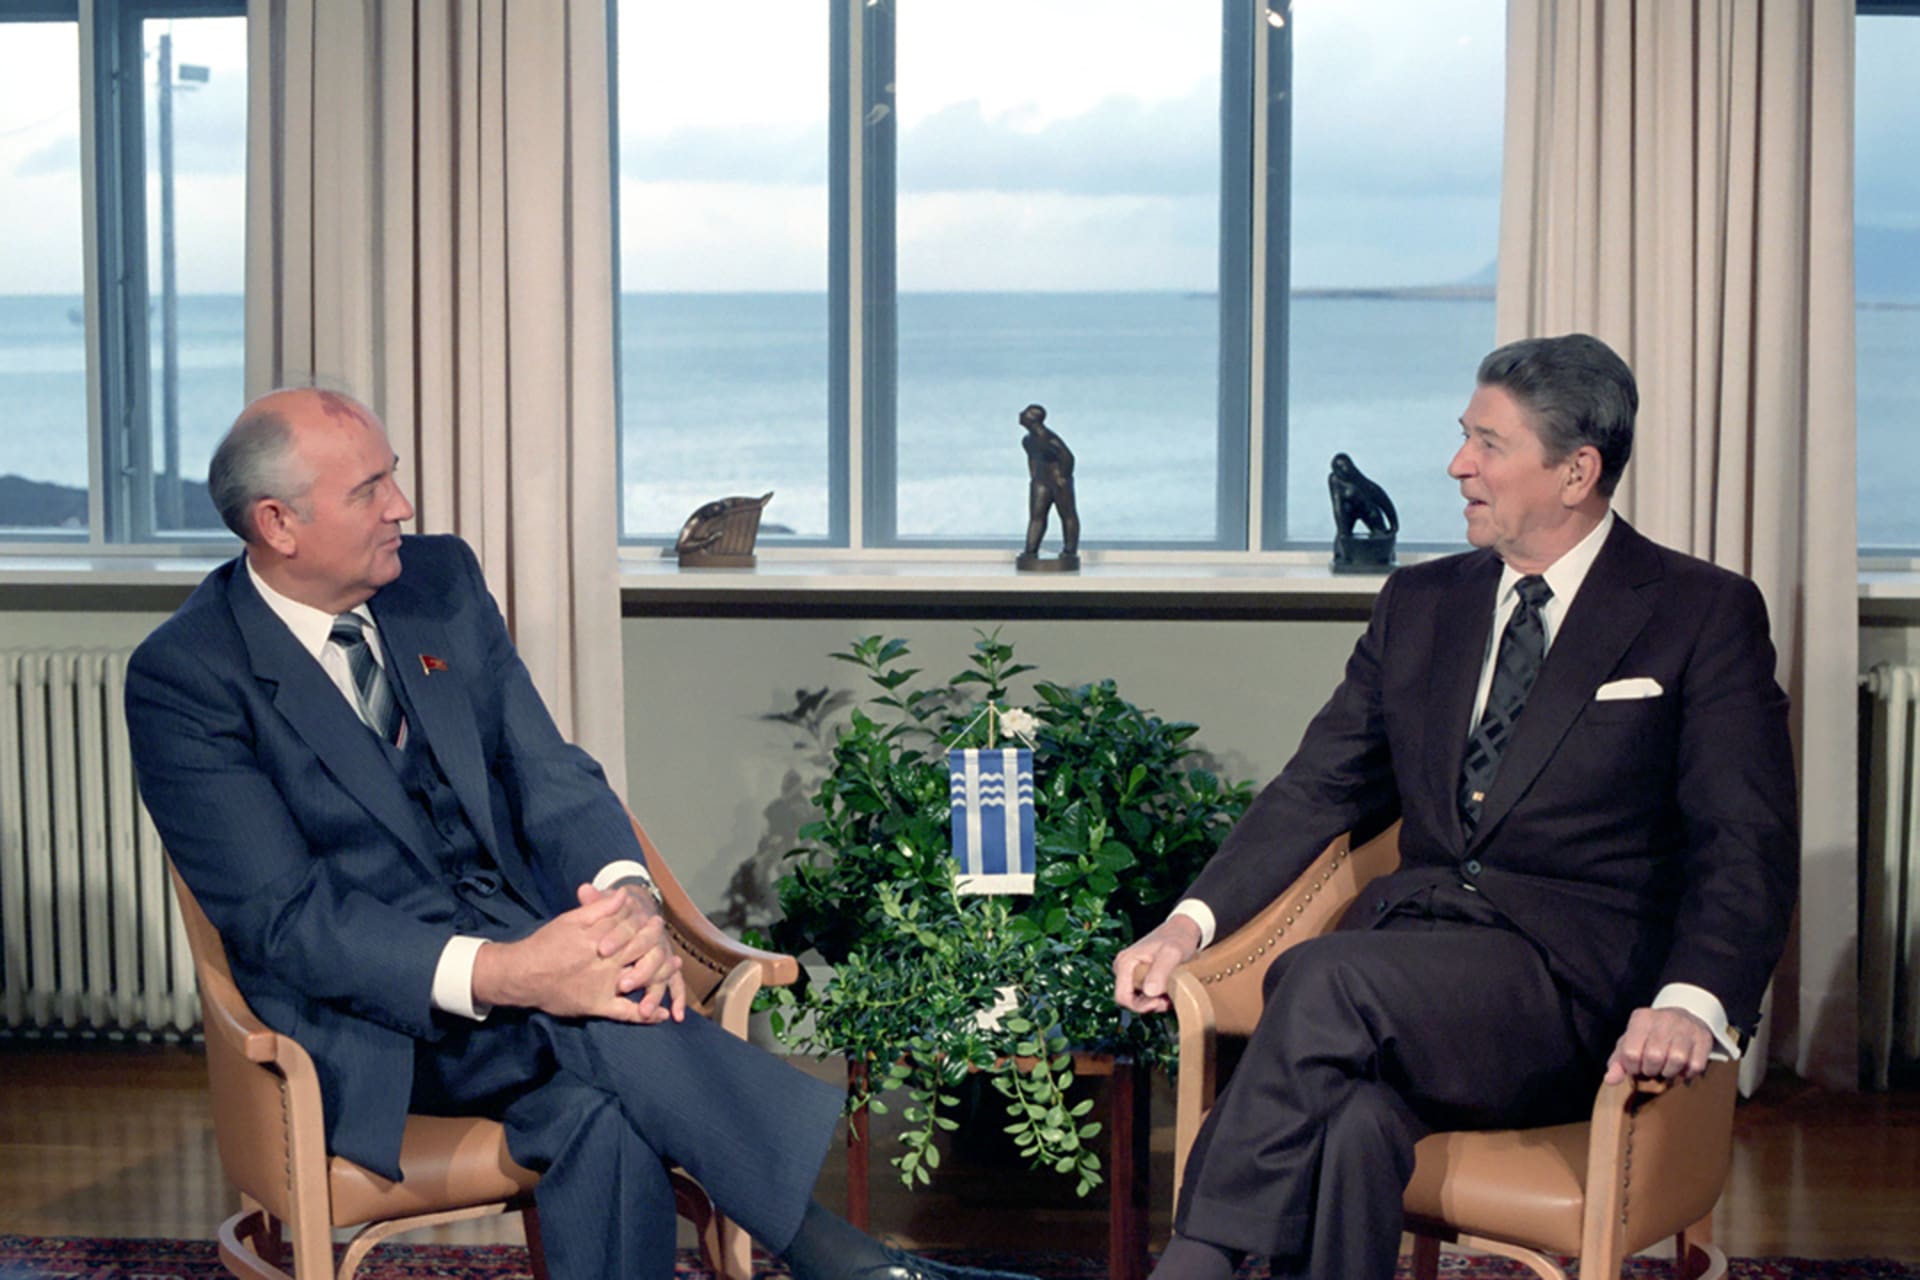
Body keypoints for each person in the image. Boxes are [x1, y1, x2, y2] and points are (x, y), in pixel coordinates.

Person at [125, 387, 1036, 1280]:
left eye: (393, 477)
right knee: (613, 1012)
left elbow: (544, 767)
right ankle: (845, 1260)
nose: (401, 506)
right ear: (278, 524)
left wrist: (628, 899)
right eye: (370, 490)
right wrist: (515, 972)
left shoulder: (435, 582)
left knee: (595, 1109)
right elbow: (290, 923)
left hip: (537, 964)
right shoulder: (187, 677)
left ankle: (850, 1265)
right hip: (381, 1026)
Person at [1113, 334, 1798, 1280]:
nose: (1457, 465)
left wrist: (1692, 1001)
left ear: (1576, 472)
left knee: (1322, 980)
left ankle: (1197, 1261)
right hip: (1407, 972)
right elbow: (1318, 786)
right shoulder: (1421, 602)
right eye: (1462, 437)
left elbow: (1746, 839)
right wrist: (1189, 925)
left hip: (1567, 992)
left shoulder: (1698, 611)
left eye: (1488, 443)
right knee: (1352, 1126)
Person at [1018, 404, 1079, 562]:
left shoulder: (1049, 439)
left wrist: (1063, 476)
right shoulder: (1027, 440)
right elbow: (1032, 458)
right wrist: (1034, 477)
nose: (1020, 414)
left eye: (1025, 413)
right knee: (1036, 516)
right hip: (1040, 482)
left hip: (1059, 481)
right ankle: (1030, 551)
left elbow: (1068, 457)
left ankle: (1069, 551)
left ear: (1033, 419)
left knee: (1067, 515)